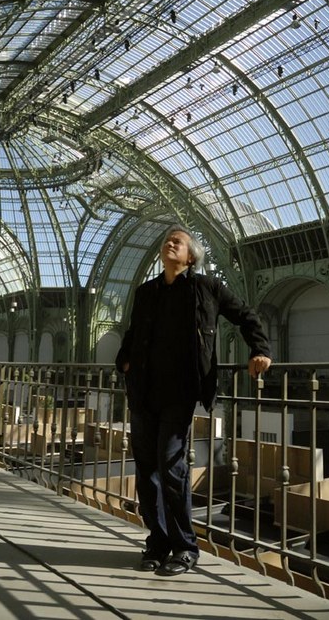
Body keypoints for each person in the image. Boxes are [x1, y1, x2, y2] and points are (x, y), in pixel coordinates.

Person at [115, 224, 272, 576]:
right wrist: (123, 360)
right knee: (146, 472)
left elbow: (246, 315)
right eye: (168, 240)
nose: (170, 243)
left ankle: (185, 547)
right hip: (142, 392)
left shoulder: (206, 288)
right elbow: (133, 332)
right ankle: (157, 542)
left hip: (180, 392)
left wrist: (260, 350)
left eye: (178, 241)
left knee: (171, 468)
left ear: (190, 256)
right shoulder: (146, 292)